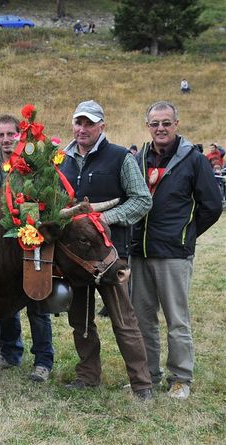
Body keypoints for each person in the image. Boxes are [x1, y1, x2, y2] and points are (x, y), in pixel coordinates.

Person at [60, 99, 154, 401]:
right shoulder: (63, 159)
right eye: (79, 122)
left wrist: (101, 219)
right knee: (80, 319)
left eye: (89, 123)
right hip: (76, 258)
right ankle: (88, 376)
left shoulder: (119, 158)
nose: (82, 129)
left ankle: (141, 385)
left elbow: (141, 200)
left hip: (110, 255)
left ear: (102, 126)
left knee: (123, 320)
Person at [130, 101, 222, 400]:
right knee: (143, 320)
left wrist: (186, 234)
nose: (160, 128)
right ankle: (149, 376)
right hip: (140, 251)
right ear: (147, 126)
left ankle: (181, 377)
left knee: (176, 320)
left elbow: (212, 205)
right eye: (155, 123)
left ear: (176, 124)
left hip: (173, 254)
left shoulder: (194, 160)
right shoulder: (138, 158)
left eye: (166, 123)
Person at [0, 115, 54, 383]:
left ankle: (43, 359)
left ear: (21, 135)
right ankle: (10, 352)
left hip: (32, 243)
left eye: (12, 134)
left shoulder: (34, 164)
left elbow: (47, 200)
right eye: (2, 134)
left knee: (37, 302)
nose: (7, 139)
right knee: (5, 301)